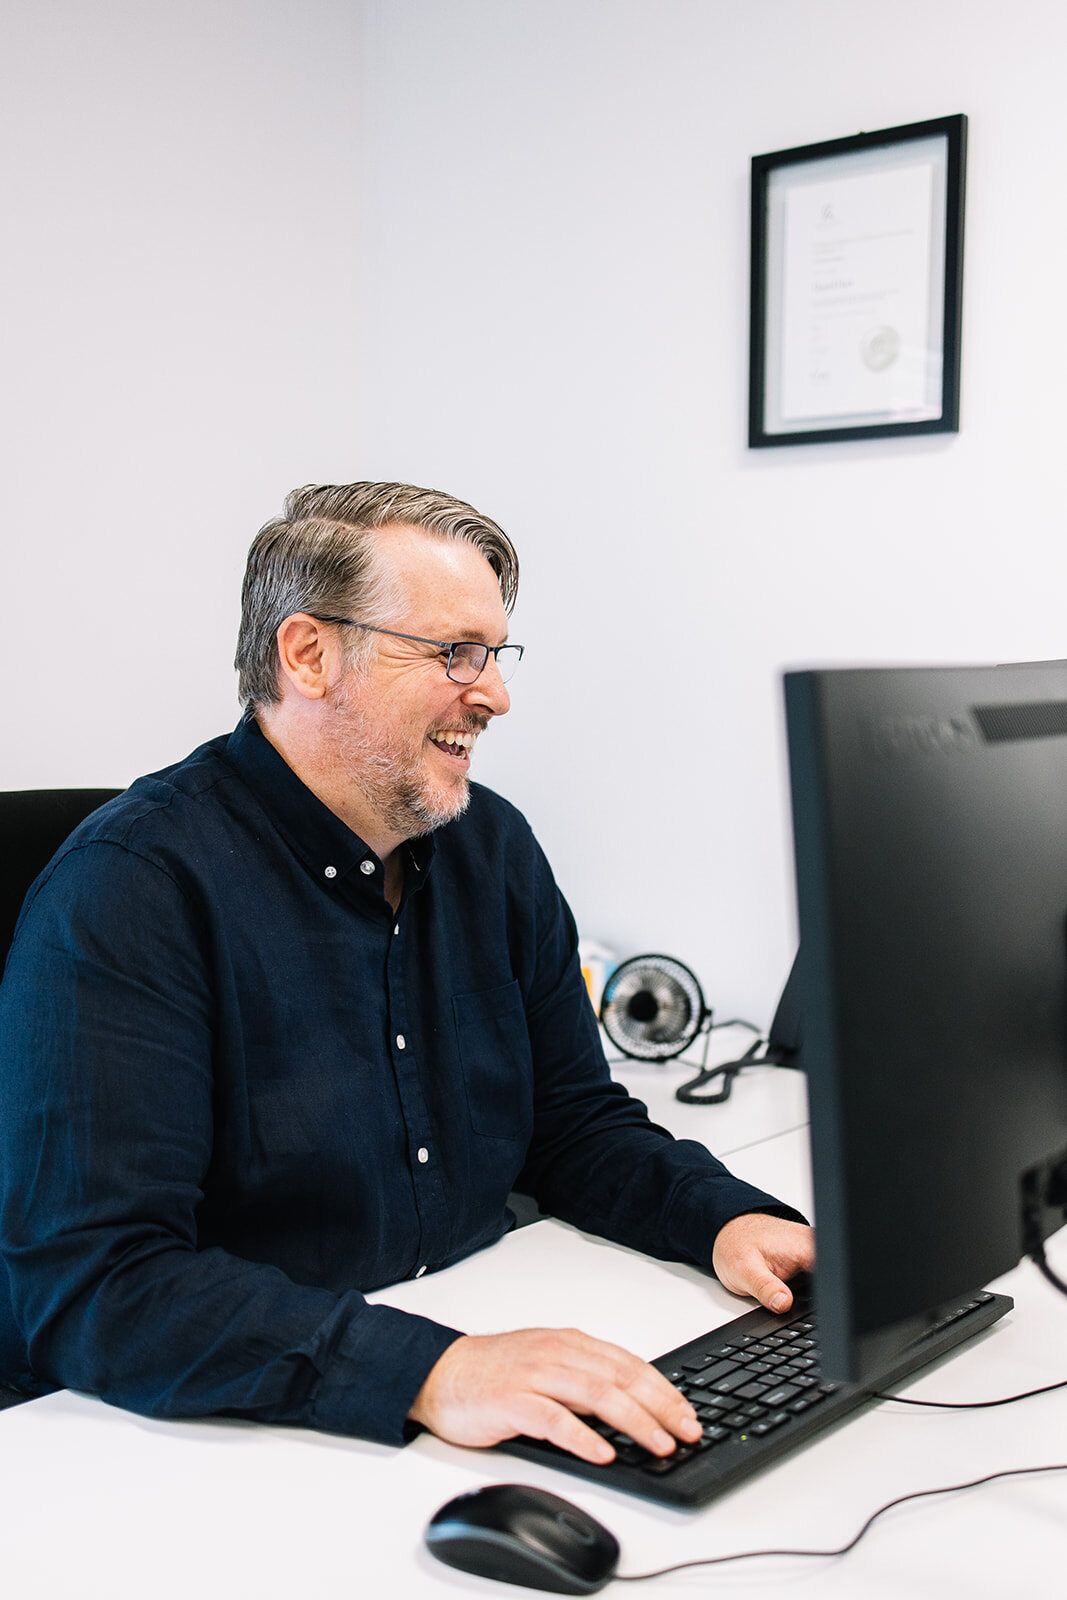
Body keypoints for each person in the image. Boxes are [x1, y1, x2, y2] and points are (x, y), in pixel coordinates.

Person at [0, 482, 813, 1465]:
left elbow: (571, 1125)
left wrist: (720, 1219)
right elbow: (98, 1281)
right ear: (307, 654)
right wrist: (433, 1371)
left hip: (459, 1363)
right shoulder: (131, 892)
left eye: (495, 655)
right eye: (453, 653)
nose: (496, 694)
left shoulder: (494, 846)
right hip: (221, 1435)